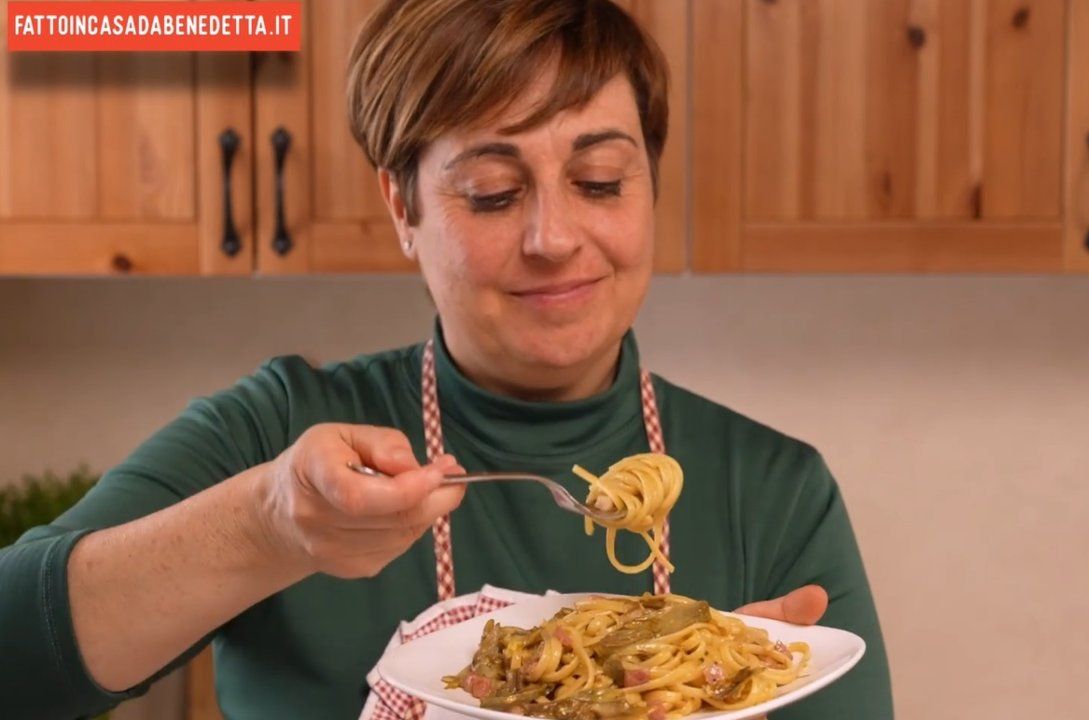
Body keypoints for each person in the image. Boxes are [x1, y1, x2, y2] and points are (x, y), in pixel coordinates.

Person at [0, 1, 893, 717]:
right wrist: (267, 526)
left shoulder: (772, 490)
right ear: (402, 204)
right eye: (493, 193)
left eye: (600, 183)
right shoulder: (278, 431)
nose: (553, 238)